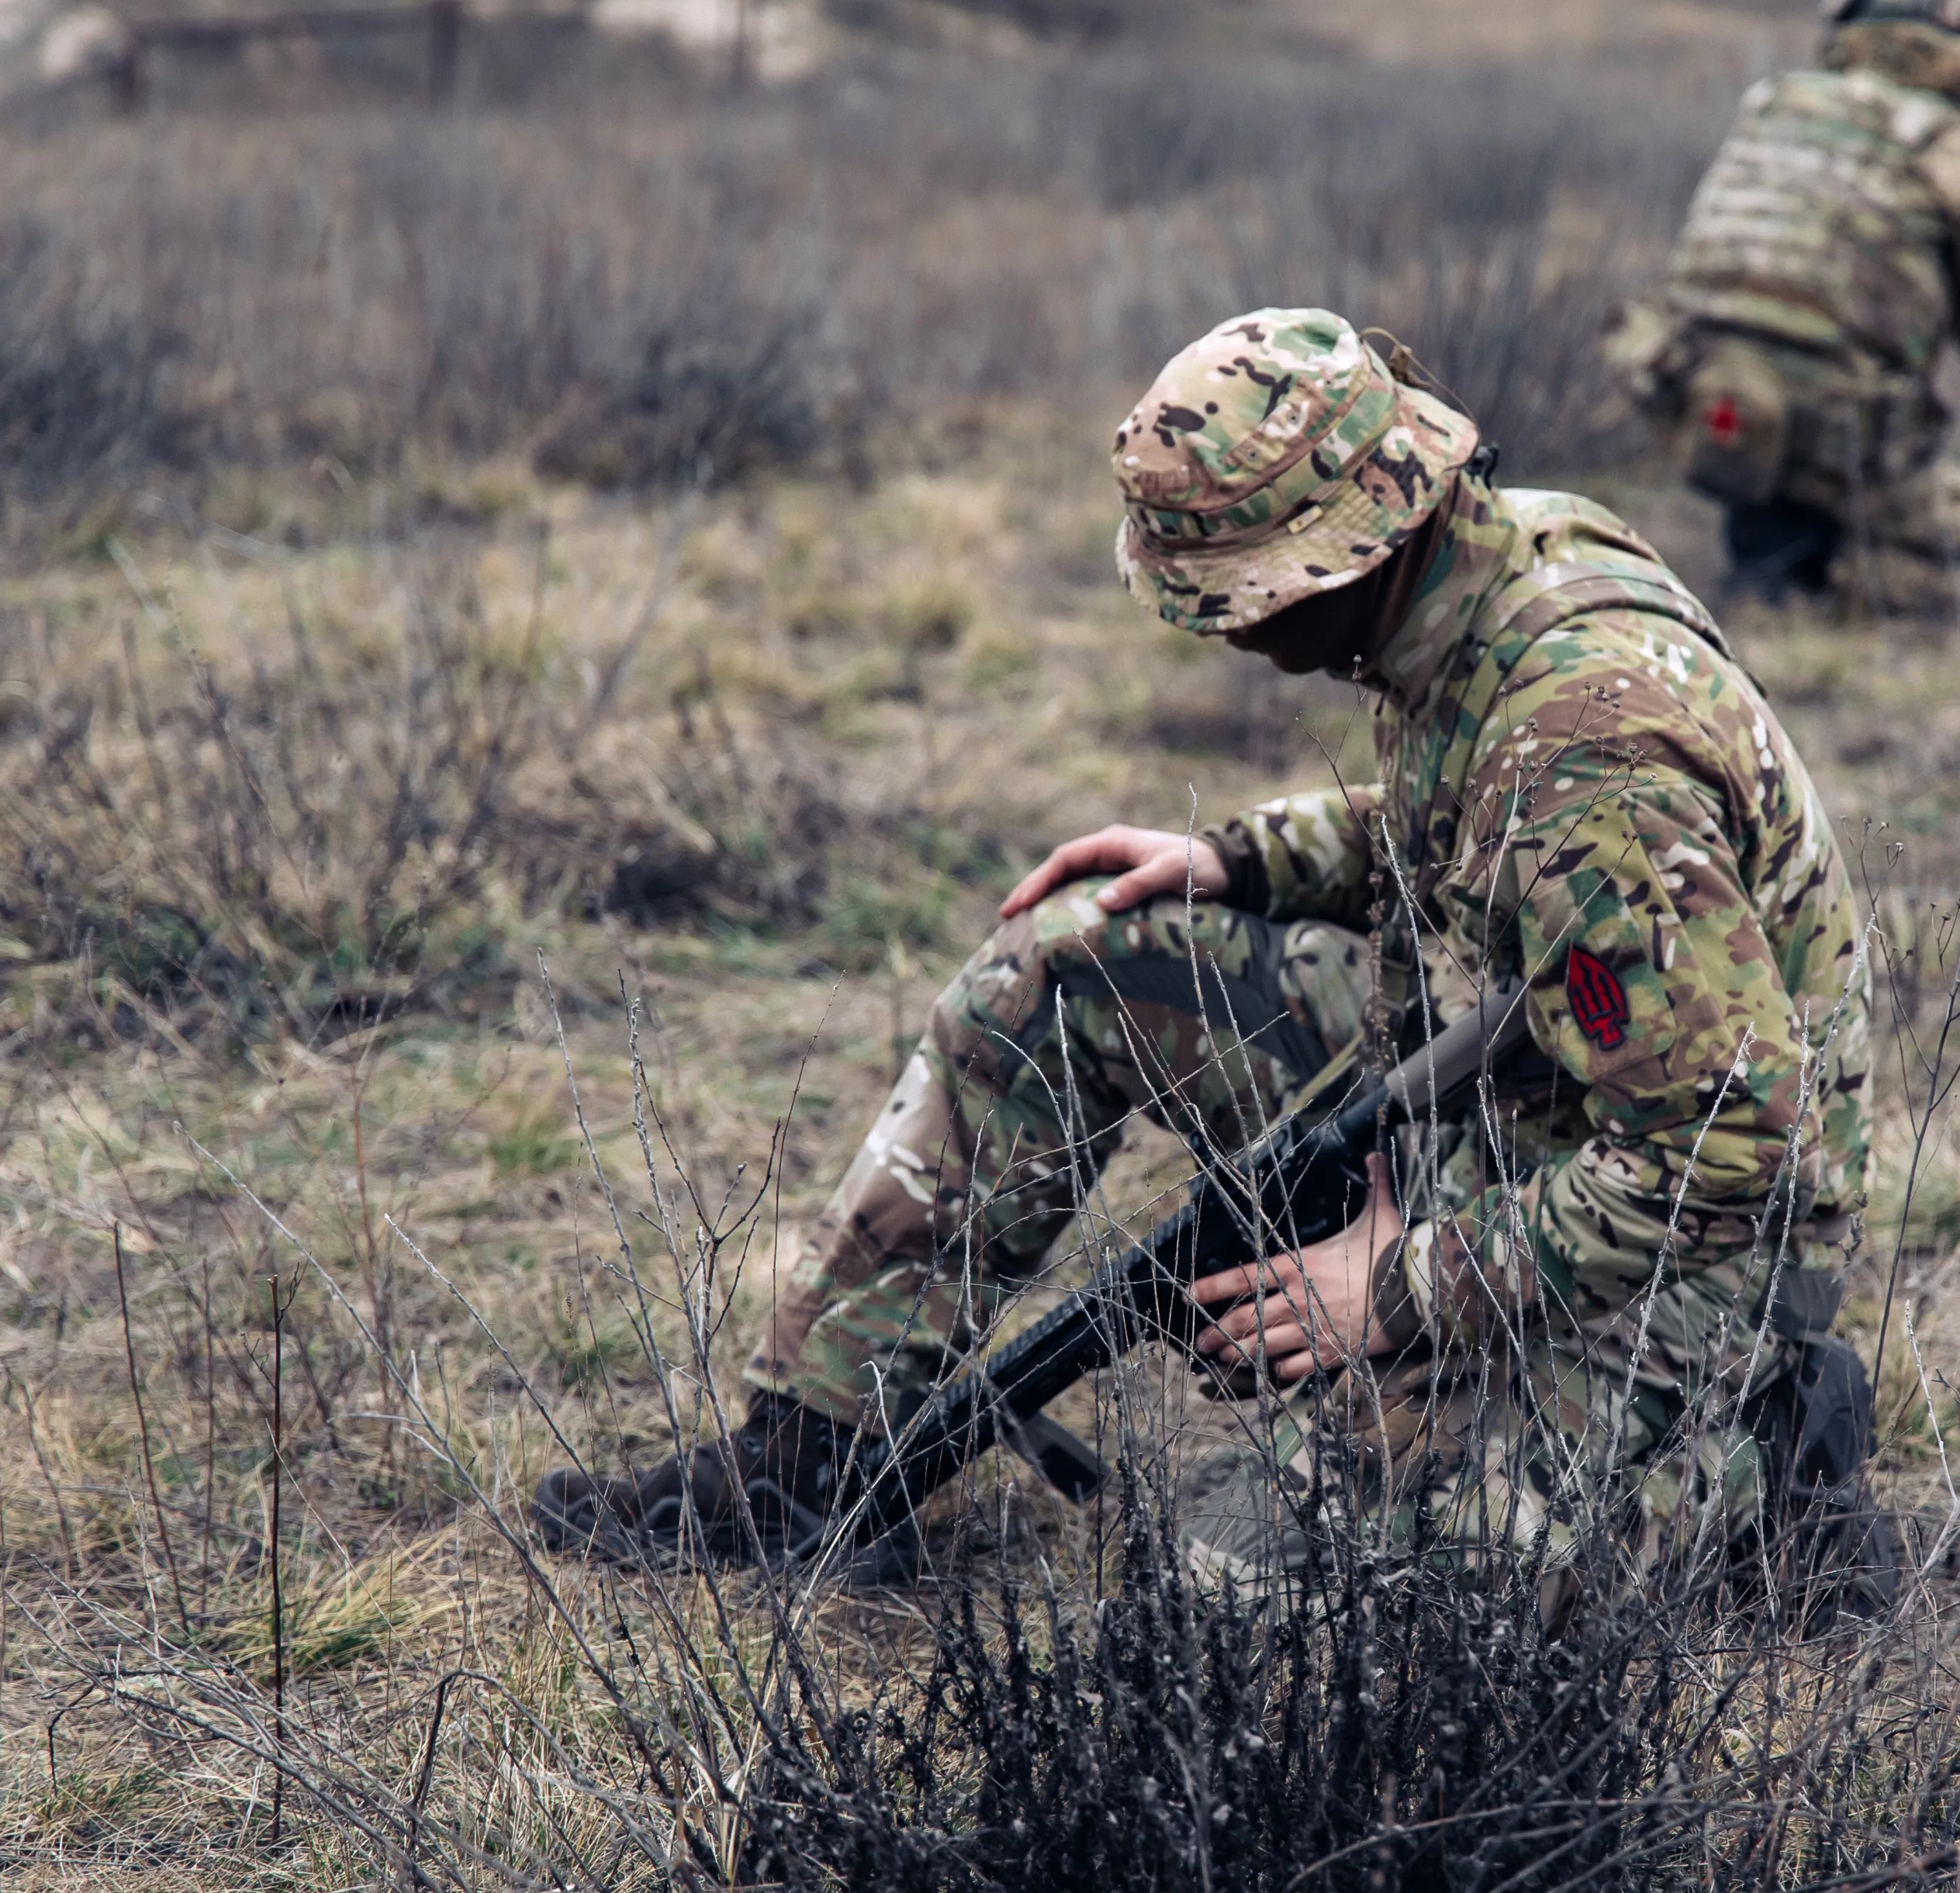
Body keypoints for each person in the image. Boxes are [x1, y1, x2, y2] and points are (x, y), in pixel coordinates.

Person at [533, 309, 1881, 1613]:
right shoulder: (1482, 570)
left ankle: (1761, 1456)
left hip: (1694, 1243)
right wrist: (1243, 858)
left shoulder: (1590, 744)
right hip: (1512, 1096)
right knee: (1066, 968)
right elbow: (1478, 841)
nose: (1223, 632)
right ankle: (800, 1461)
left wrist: (1402, 1290)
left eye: (1232, 597)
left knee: (1252, 1585)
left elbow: (1733, 1148)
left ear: (1345, 553)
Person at [1609, 0, 1960, 620]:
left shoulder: (1773, 101)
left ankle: (1776, 567)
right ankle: (1836, 586)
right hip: (1835, 430)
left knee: (1783, 433)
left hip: (1695, 393)